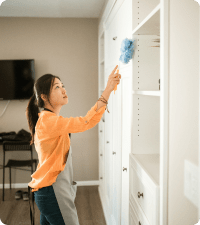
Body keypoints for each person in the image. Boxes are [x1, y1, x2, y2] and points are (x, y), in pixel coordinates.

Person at [25, 65, 121, 225]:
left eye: (63, 86)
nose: (63, 90)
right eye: (57, 87)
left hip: (47, 192)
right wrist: (108, 89)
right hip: (52, 191)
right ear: (44, 96)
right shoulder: (49, 121)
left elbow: (88, 121)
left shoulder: (48, 120)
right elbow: (86, 121)